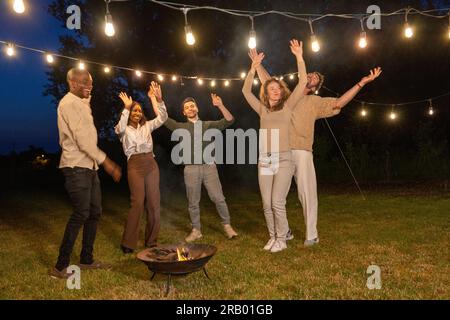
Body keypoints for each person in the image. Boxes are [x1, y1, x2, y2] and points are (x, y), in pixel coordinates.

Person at [254, 56, 382, 247]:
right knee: (275, 197)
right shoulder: (286, 96)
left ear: (315, 86)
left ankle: (311, 235)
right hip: (279, 152)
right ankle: (283, 232)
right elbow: (267, 81)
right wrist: (257, 64)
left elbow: (339, 102)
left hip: (302, 151)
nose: (311, 76)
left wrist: (361, 83)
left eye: (314, 77)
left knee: (306, 193)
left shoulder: (315, 101)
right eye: (309, 73)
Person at [50, 68, 122, 279]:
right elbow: (83, 141)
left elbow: (87, 132)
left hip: (89, 167)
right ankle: (59, 267)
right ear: (72, 83)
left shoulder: (81, 102)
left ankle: (86, 259)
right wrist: (107, 162)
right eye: (84, 83)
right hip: (75, 167)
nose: (89, 87)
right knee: (81, 213)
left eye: (91, 83)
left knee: (95, 212)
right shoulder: (69, 104)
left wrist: (87, 96)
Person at [242, 39, 307, 253]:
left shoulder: (288, 107)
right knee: (266, 203)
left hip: (284, 159)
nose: (276, 90)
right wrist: (252, 69)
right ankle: (273, 237)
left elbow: (303, 82)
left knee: (277, 201)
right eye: (271, 88)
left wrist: (299, 57)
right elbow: (245, 92)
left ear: (281, 91)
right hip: (266, 159)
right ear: (266, 92)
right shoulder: (262, 110)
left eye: (278, 88)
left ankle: (282, 238)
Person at [162, 93, 238, 242]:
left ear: (197, 108)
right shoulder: (180, 127)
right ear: (184, 112)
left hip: (209, 167)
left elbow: (229, 120)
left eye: (192, 106)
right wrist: (156, 100)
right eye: (187, 107)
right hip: (190, 169)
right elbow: (163, 118)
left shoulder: (208, 125)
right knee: (193, 202)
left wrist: (220, 105)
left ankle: (227, 226)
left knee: (218, 198)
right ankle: (196, 230)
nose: (190, 108)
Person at [115, 82, 168, 254]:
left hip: (151, 164)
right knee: (137, 202)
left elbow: (163, 118)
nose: (137, 113)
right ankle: (129, 243)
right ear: (129, 113)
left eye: (139, 110)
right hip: (134, 164)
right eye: (134, 110)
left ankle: (152, 241)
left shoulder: (147, 126)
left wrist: (158, 100)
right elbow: (119, 128)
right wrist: (126, 107)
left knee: (154, 202)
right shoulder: (123, 130)